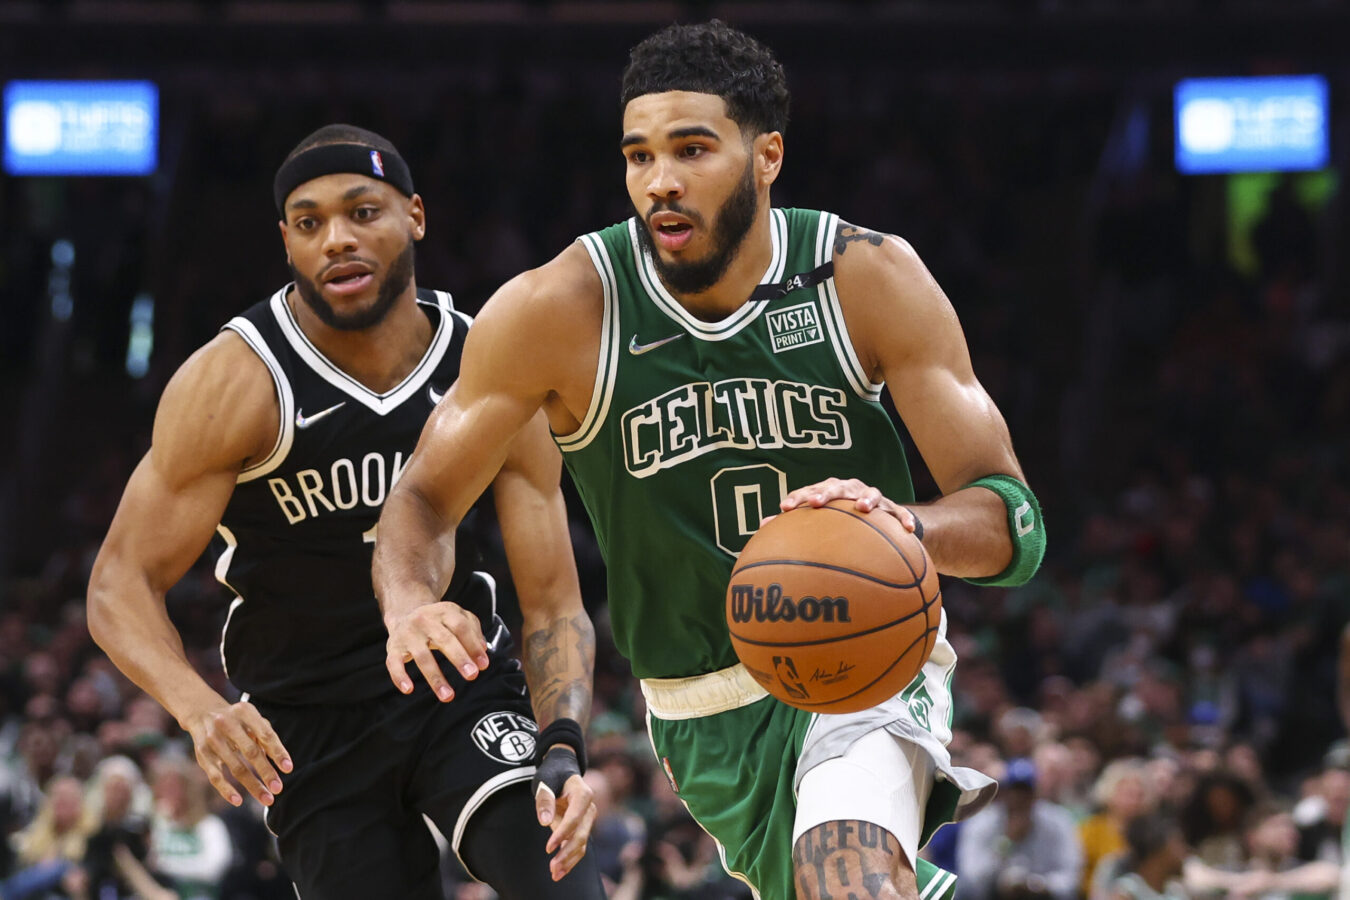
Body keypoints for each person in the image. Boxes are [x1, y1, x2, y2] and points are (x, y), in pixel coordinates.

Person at [373, 20, 1045, 900]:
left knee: (844, 875)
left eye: (692, 150)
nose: (661, 182)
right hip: (697, 712)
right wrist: (408, 602)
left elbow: (1014, 521)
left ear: (766, 156)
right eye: (639, 156)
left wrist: (903, 527)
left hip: (869, 663)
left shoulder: (865, 278)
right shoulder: (560, 310)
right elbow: (422, 498)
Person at [86, 124, 604, 900]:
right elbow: (117, 584)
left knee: (561, 884)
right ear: (287, 243)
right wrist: (199, 711)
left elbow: (553, 600)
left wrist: (561, 748)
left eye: (363, 212)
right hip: (306, 722)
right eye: (310, 222)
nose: (336, 239)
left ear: (415, 216)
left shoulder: (487, 365)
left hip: (454, 688)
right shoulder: (235, 381)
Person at [956, 758, 1083, 900]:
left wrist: (1037, 886)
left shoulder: (1058, 821)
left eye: (1025, 792)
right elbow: (972, 878)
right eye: (1014, 791)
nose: (1019, 798)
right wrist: (1007, 842)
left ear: (1036, 794)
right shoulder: (983, 822)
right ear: (1003, 793)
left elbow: (1071, 878)